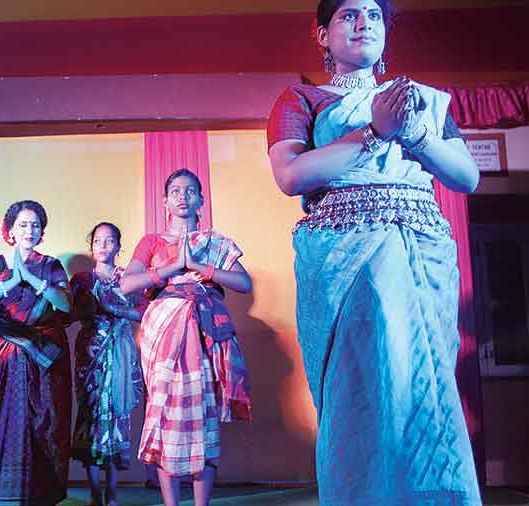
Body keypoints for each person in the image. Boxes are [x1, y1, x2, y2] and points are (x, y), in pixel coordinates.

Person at [266, 0, 481, 503]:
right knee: (364, 389)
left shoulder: (418, 100)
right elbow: (291, 175)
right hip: (347, 260)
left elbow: (466, 177)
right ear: (322, 35)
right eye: (347, 15)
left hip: (422, 254)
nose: (363, 23)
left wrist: (414, 130)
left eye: (374, 14)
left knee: (423, 390)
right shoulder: (301, 98)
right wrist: (374, 133)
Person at [120, 169, 253, 506]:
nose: (183, 196)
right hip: (163, 333)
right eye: (176, 191)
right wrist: (171, 268)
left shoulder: (215, 241)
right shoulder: (151, 241)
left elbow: (244, 283)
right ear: (165, 201)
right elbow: (128, 284)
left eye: (190, 190)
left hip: (205, 332)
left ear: (201, 200)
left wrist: (199, 266)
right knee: (164, 414)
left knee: (204, 417)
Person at [0, 200, 73, 505]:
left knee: (45, 420)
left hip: (45, 355)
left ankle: (40, 492)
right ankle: (8, 488)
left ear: (42, 231)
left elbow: (66, 304)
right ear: (10, 231)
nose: (29, 230)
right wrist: (11, 283)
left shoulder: (50, 265)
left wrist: (36, 283)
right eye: (23, 225)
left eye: (35, 225)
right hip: (5, 351)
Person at [69, 222, 145, 506]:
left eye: (109, 240)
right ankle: (94, 493)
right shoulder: (81, 280)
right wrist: (86, 309)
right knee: (89, 417)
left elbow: (142, 313)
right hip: (90, 354)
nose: (103, 245)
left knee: (115, 417)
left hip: (120, 354)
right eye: (98, 241)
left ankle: (112, 494)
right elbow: (69, 315)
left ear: (118, 246)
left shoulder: (128, 278)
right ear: (92, 246)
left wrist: (116, 309)